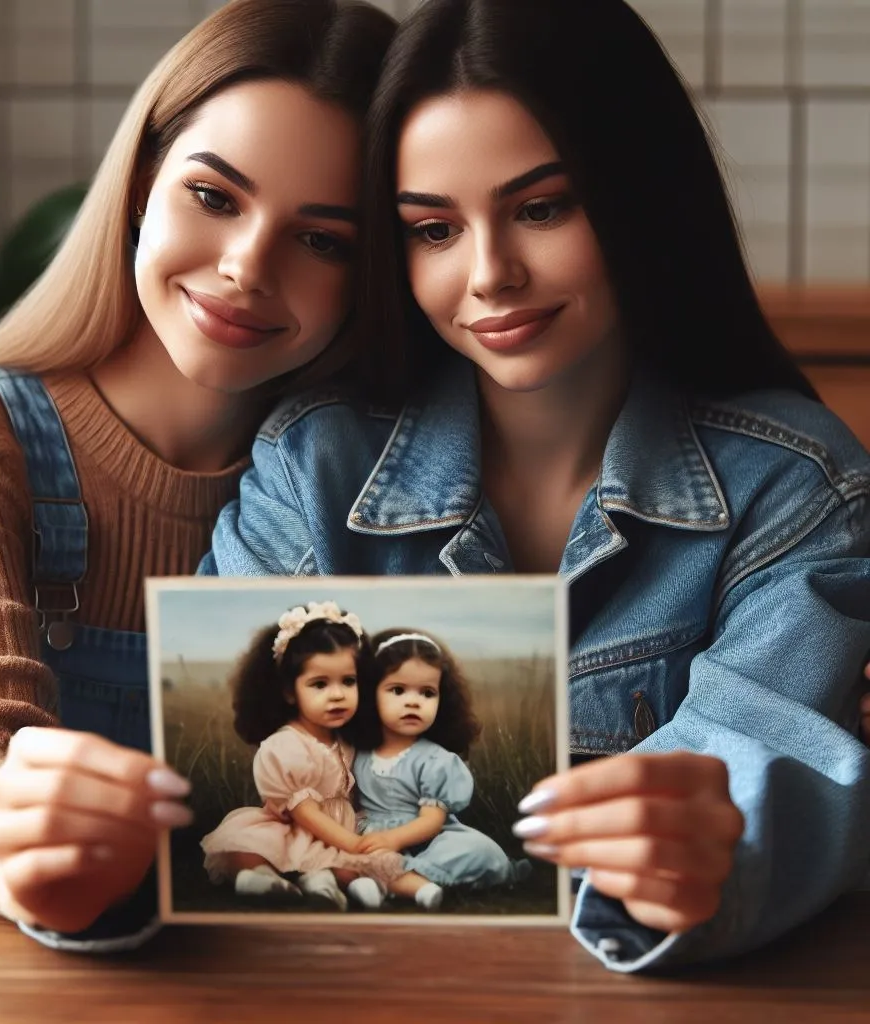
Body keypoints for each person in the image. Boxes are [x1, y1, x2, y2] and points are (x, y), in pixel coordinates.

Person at [200, 0, 870, 971]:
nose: (490, 274)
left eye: (541, 207)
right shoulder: (313, 465)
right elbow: (228, 779)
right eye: (432, 229)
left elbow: (777, 764)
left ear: (638, 196)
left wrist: (706, 853)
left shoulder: (795, 482)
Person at [0, 0, 396, 951]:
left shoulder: (361, 470)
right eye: (215, 195)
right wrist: (35, 860)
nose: (245, 266)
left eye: (322, 240)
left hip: (226, 955)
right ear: (144, 183)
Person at [200, 601, 402, 910]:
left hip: (337, 829)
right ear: (290, 691)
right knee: (244, 847)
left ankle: (338, 886)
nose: (337, 694)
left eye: (348, 681)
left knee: (348, 863)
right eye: (319, 684)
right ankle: (261, 880)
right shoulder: (286, 746)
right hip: (295, 827)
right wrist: (353, 843)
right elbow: (304, 813)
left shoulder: (345, 741)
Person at [349, 629, 530, 908]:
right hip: (372, 834)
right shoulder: (358, 752)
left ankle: (402, 880)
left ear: (441, 699)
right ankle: (395, 883)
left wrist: (394, 838)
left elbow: (432, 821)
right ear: (371, 695)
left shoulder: (435, 760)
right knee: (350, 850)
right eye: (397, 690)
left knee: (481, 851)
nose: (413, 701)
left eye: (427, 693)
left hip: (429, 838)